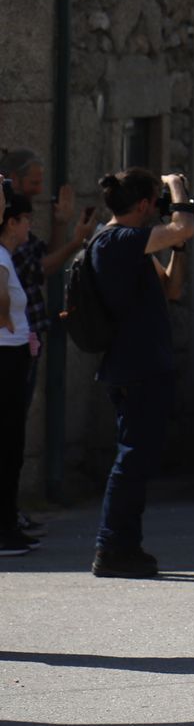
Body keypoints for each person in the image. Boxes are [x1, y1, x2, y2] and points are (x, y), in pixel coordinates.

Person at [90, 169, 194, 577]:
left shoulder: (129, 246)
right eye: (156, 203)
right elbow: (182, 225)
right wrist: (177, 187)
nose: (160, 210)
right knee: (132, 458)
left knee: (137, 456)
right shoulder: (118, 240)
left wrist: (180, 247)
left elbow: (171, 287)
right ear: (142, 205)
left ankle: (123, 545)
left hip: (138, 364)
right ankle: (111, 546)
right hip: (135, 366)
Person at [0, 150, 96, 537]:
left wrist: (62, 227)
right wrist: (74, 240)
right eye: (33, 182)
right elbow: (42, 267)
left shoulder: (18, 238)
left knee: (13, 433)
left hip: (24, 343)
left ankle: (10, 512)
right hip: (10, 348)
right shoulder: (7, 246)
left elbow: (42, 256)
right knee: (8, 435)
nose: (40, 189)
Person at [0, 181, 38, 556]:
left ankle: (9, 522)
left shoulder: (7, 255)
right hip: (5, 357)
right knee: (7, 445)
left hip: (12, 355)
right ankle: (4, 527)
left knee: (12, 445)